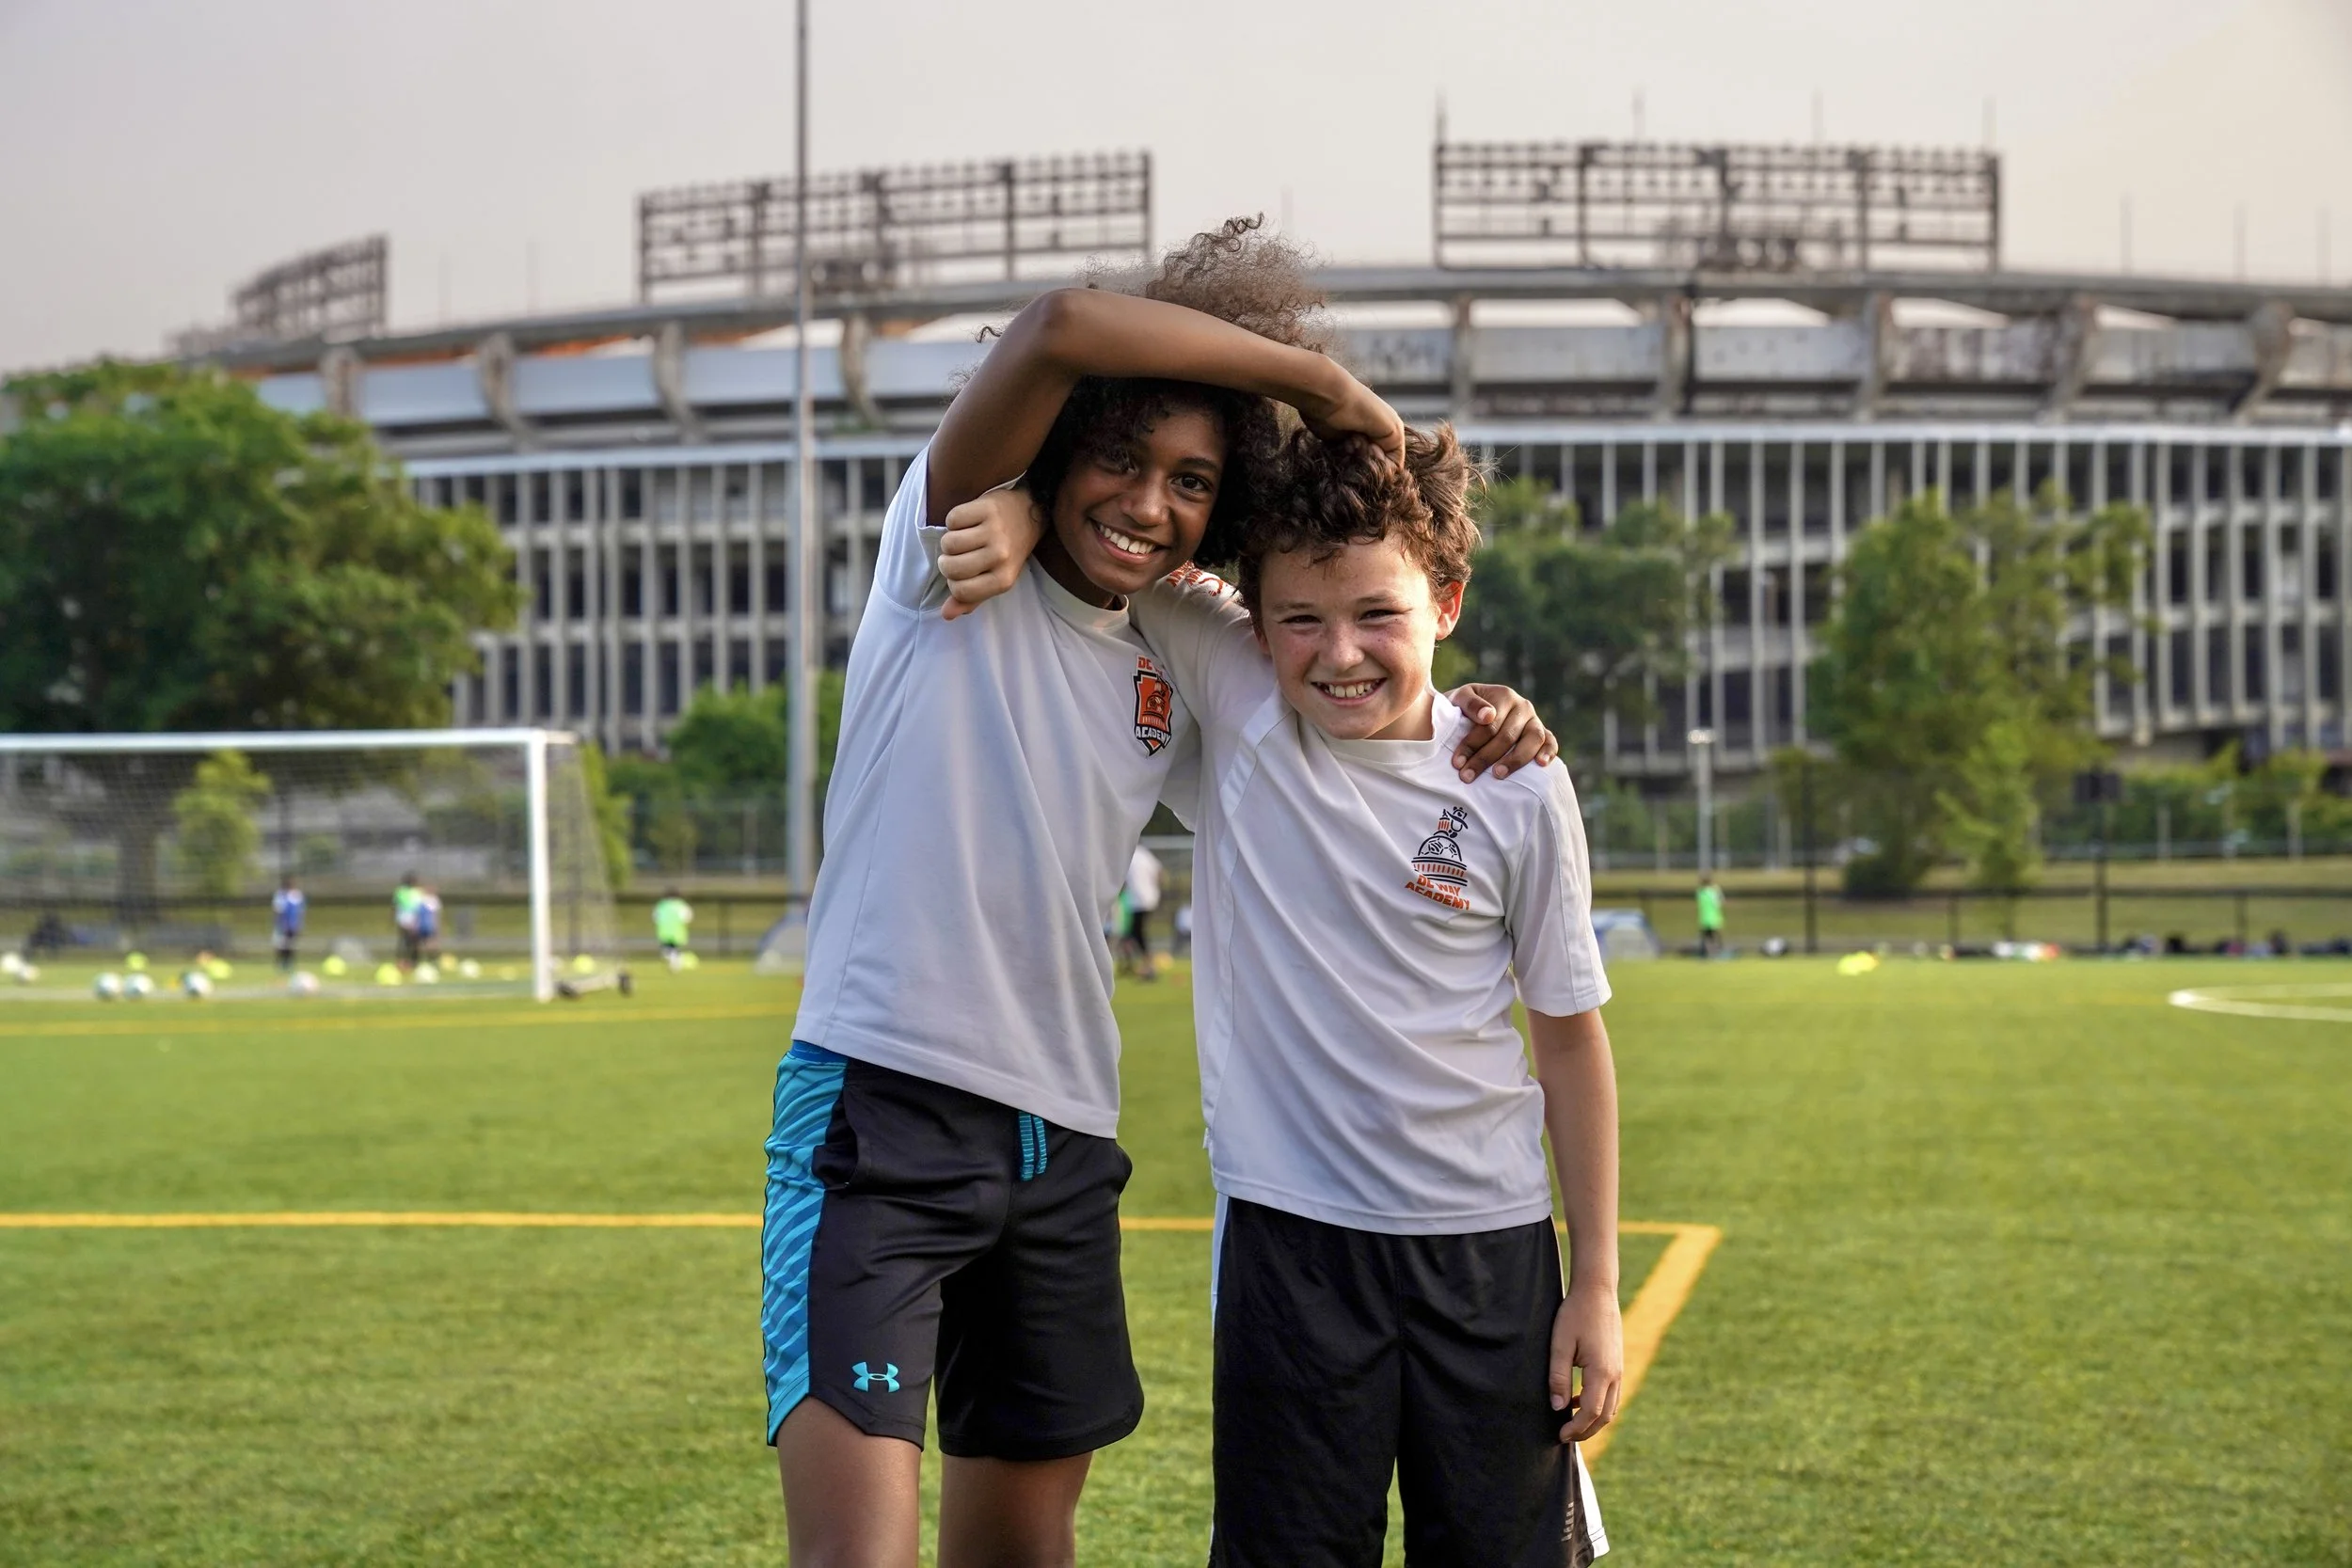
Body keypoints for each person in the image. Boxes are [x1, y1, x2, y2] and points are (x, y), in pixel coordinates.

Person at [760, 218, 1559, 1568]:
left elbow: (1334, 711)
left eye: (1193, 478)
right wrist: (1319, 389)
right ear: (1055, 444)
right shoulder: (947, 548)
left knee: (1021, 1548)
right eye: (1118, 457)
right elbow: (1064, 324)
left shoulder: (1172, 666)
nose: (1148, 500)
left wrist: (1484, 709)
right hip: (882, 1117)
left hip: (1064, 1144)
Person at [951, 428, 1622, 1565]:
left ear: (1446, 604)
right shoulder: (1240, 694)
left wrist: (1596, 1282)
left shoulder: (1517, 780)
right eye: (1300, 620)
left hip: (1490, 1251)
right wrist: (1021, 507)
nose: (1339, 652)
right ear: (1253, 624)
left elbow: (1568, 1042)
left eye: (1379, 614)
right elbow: (1127, 539)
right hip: (1288, 1246)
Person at [1120, 843, 1164, 979]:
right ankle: (1130, 964)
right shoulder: (1145, 854)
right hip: (1150, 898)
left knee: (1136, 933)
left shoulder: (1127, 856)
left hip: (1135, 901)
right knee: (1133, 933)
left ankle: (1148, 965)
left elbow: (1121, 880)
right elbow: (1159, 872)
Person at [653, 888, 695, 971]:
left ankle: (677, 962)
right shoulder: (681, 905)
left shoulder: (661, 905)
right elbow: (688, 917)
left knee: (667, 952)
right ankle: (678, 961)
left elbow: (655, 917)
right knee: (672, 951)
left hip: (664, 932)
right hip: (677, 932)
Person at [271, 876, 306, 973]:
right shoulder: (281, 895)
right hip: (282, 925)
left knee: (292, 946)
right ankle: (280, 964)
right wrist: (279, 924)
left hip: (293, 925)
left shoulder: (297, 895)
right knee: (281, 946)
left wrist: (299, 924)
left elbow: (300, 911)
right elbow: (277, 911)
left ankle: (290, 964)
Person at [391, 873, 421, 972]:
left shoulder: (416, 892)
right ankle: (403, 963)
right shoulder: (401, 892)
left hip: (412, 920)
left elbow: (419, 908)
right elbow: (396, 906)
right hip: (404, 919)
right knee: (405, 942)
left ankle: (412, 962)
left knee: (412, 943)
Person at [1695, 874, 1725, 958]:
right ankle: (1718, 953)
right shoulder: (1713, 892)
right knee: (1716, 937)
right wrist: (1718, 891)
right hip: (1714, 918)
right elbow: (1719, 902)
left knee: (1706, 937)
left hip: (1704, 918)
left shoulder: (1700, 893)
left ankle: (1705, 953)